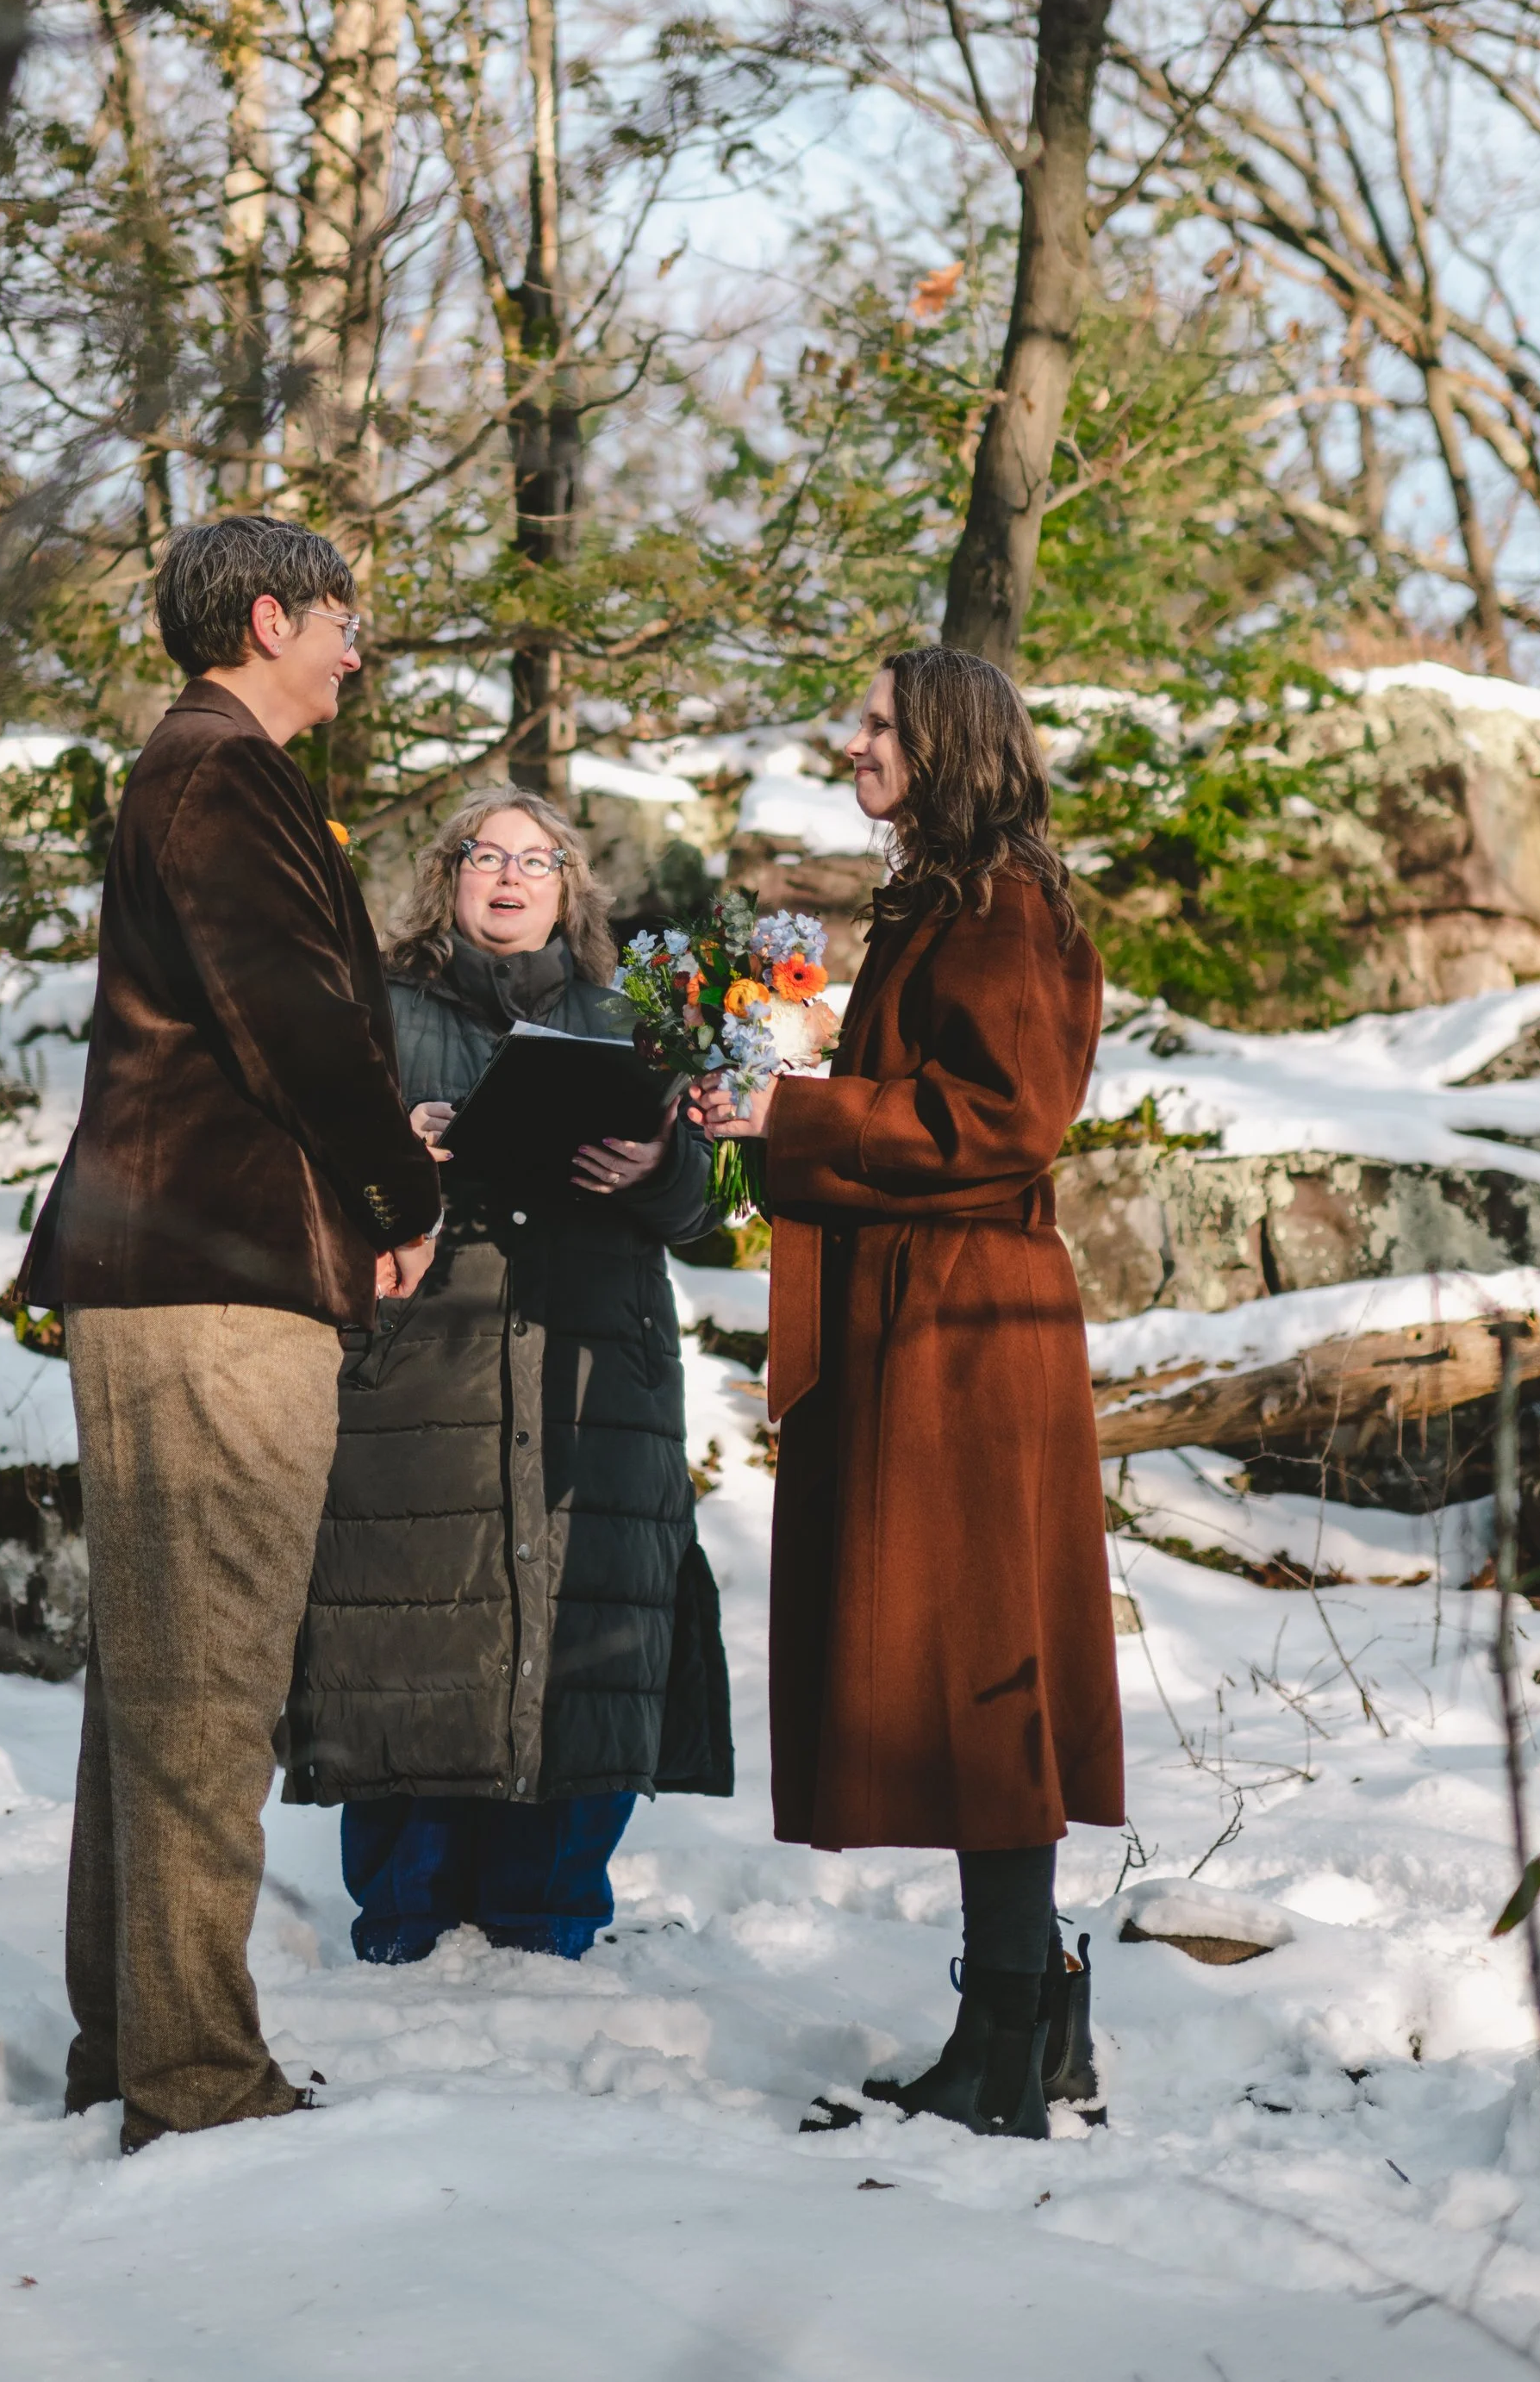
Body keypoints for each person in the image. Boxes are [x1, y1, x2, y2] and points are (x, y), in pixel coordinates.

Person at [24, 514, 441, 2149]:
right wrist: (403, 1194)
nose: (357, 648)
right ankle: (195, 2080)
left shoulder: (200, 770)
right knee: (208, 1680)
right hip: (211, 1273)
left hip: (195, 1258)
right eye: (344, 619)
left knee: (157, 1668)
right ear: (271, 619)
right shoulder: (223, 772)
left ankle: (132, 2041)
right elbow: (296, 1026)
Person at [696, 645, 1123, 2142]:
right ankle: (1032, 2011)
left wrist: (794, 1108)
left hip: (964, 1333)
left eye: (880, 723)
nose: (854, 739)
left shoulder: (1005, 908)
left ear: (947, 745)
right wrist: (779, 1093)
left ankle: (1014, 2033)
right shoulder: (950, 900)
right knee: (968, 1675)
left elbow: (999, 1120)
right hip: (927, 1322)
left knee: (982, 1676)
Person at [282, 783, 732, 1961]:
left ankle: (549, 1918)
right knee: (417, 1626)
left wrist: (653, 1161)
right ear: (447, 874)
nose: (512, 873)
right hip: (421, 1368)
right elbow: (307, 1171)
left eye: (540, 858)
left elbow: (697, 1209)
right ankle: (407, 1916)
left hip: (596, 1366)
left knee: (583, 1627)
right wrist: (396, 1155)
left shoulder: (629, 1015)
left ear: (570, 889)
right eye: (487, 852)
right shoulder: (371, 1008)